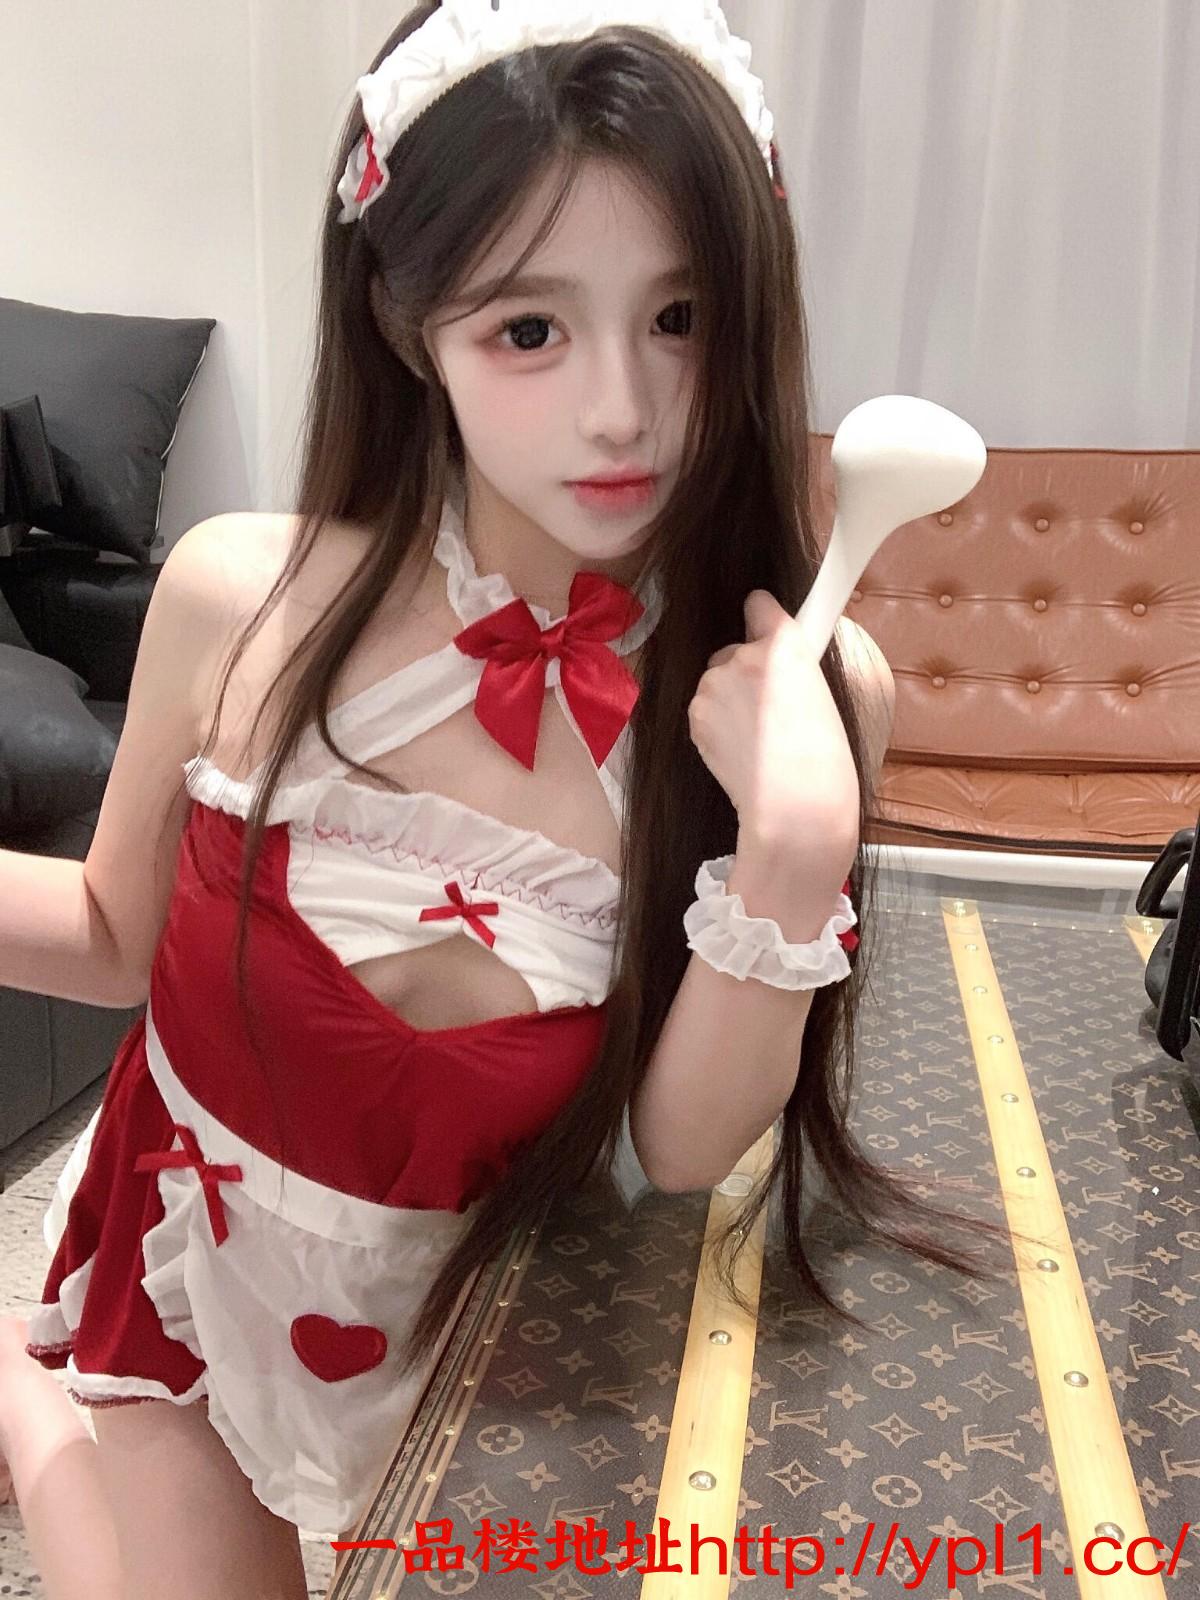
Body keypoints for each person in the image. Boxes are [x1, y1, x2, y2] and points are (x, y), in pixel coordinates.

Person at [0, 3, 1016, 1595]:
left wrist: (798, 846)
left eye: (681, 317)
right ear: (412, 327)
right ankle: (38, 1391)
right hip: (188, 1260)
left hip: (494, 1318)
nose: (621, 410)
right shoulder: (243, 598)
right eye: (529, 329)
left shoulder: (808, 701)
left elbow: (679, 1149)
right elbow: (116, 936)